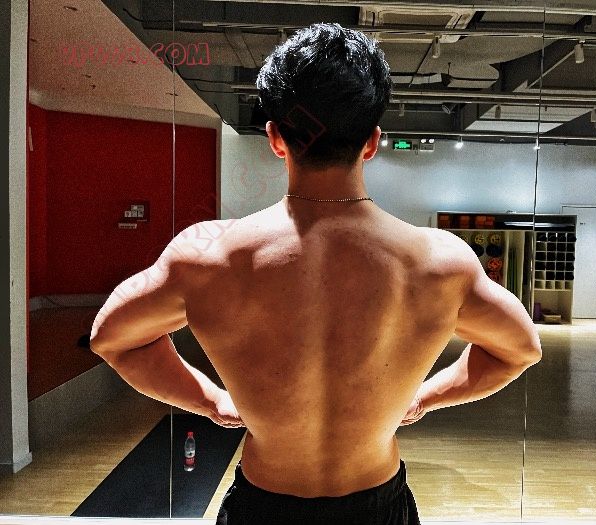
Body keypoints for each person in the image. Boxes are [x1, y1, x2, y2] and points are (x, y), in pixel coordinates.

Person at [89, 22, 541, 525]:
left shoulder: (206, 255)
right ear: (372, 142)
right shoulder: (441, 261)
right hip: (377, 506)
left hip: (263, 507)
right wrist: (425, 398)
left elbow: (112, 338)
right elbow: (520, 350)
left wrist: (211, 400)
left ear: (276, 138)